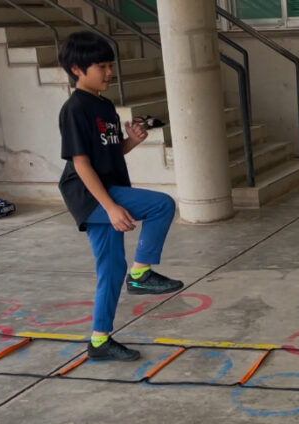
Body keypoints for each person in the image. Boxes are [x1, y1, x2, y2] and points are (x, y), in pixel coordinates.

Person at [58, 31, 183, 362]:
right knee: (162, 205)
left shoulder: (104, 106)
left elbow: (108, 154)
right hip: (90, 195)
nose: (109, 73)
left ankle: (99, 342)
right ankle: (141, 275)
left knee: (111, 270)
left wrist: (132, 142)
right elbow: (81, 164)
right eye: (101, 66)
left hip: (105, 191)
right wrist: (110, 206)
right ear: (76, 69)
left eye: (110, 65)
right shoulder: (75, 109)